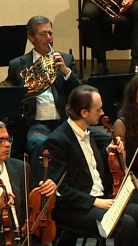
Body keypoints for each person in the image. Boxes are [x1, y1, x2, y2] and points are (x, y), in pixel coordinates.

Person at [44, 85, 138, 246]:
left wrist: (111, 151)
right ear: (84, 113)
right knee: (125, 223)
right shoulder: (57, 141)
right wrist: (95, 202)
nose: (102, 113)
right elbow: (60, 190)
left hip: (97, 202)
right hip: (72, 209)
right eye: (98, 109)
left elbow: (97, 168)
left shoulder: (92, 135)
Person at [5, 16, 81, 168]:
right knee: (39, 145)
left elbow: (80, 92)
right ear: (31, 38)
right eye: (42, 34)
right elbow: (10, 94)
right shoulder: (17, 65)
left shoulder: (66, 59)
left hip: (63, 122)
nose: (49, 38)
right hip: (36, 123)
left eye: (50, 33)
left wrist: (65, 71)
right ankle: (41, 188)